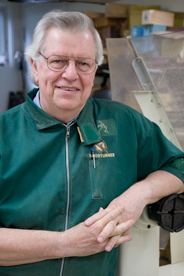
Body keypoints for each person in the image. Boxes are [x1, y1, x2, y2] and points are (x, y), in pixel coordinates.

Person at [0, 9, 184, 276]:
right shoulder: (5, 134)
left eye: (84, 63)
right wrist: (65, 244)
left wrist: (138, 194)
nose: (71, 74)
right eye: (58, 61)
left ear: (95, 70)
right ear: (34, 67)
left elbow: (178, 164)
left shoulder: (124, 123)